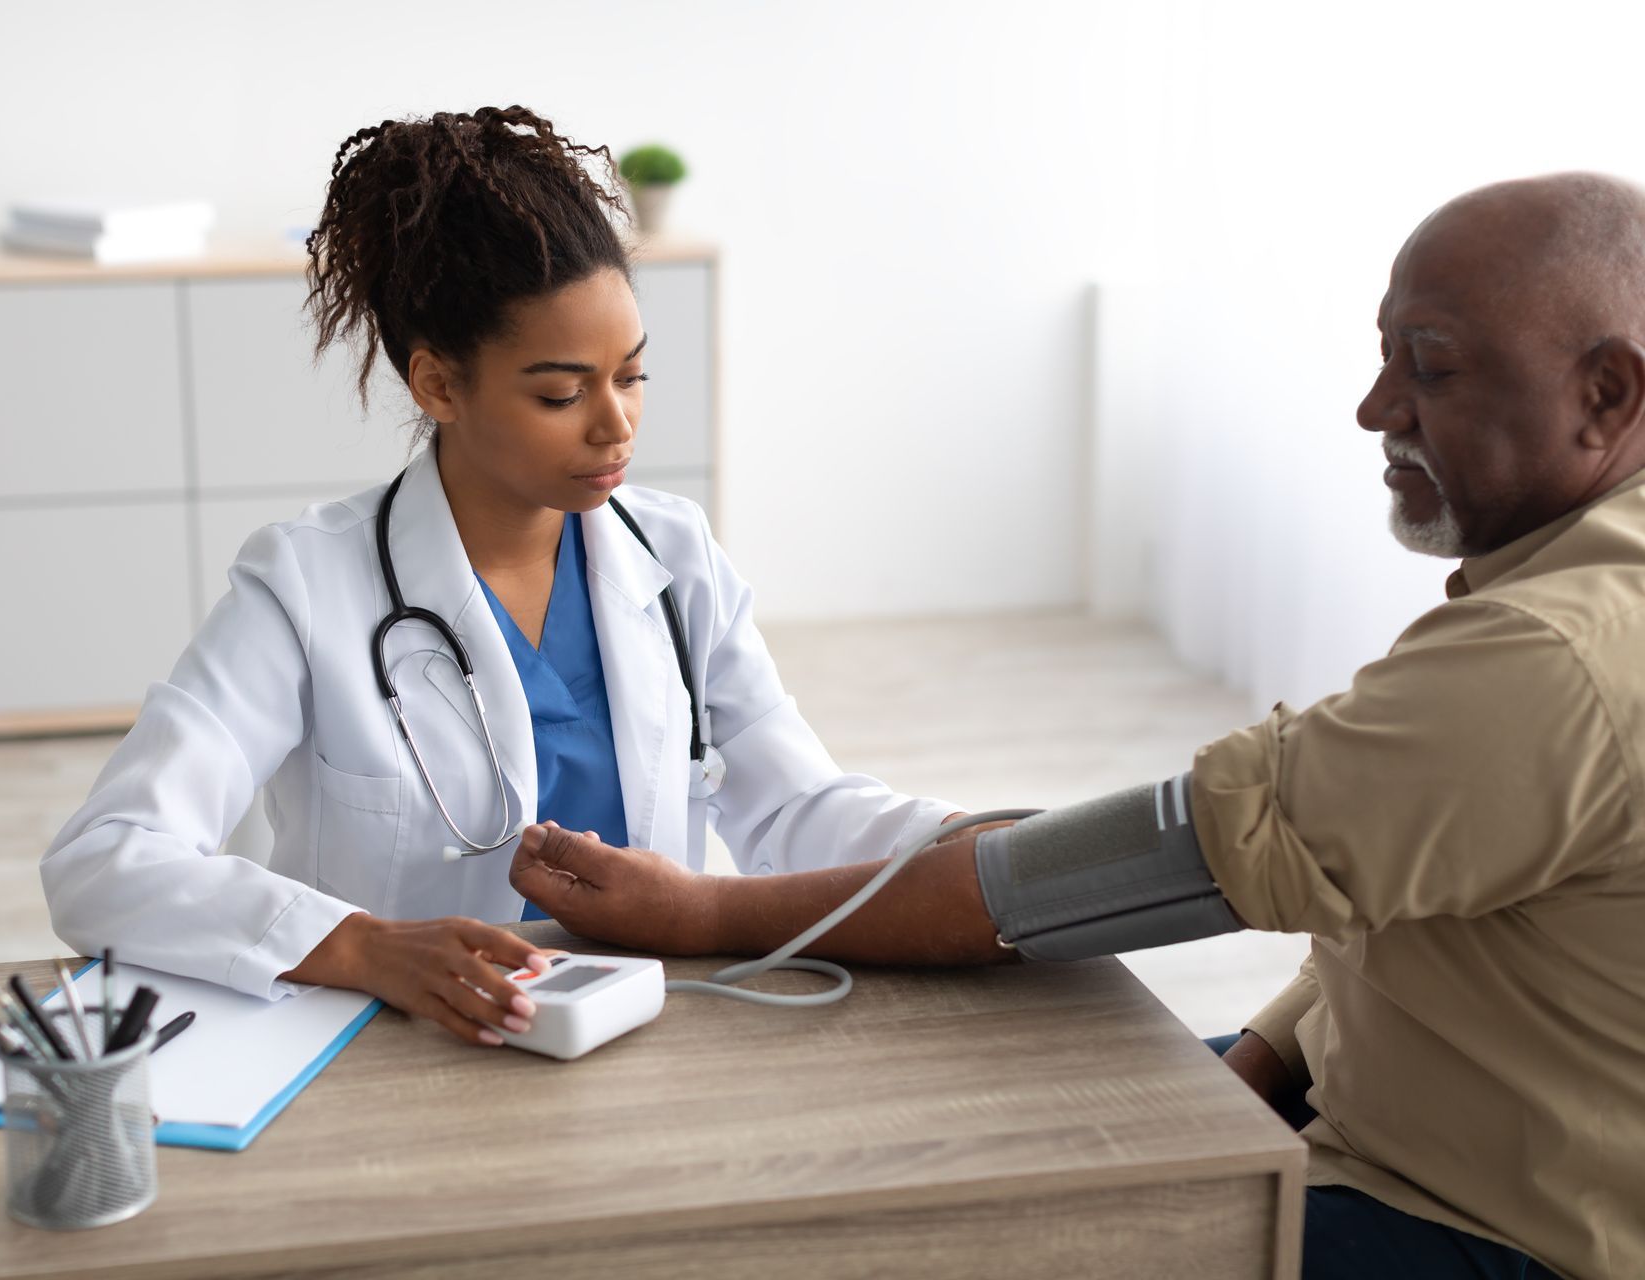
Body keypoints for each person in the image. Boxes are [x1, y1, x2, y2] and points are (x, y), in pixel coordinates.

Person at [508, 173, 1645, 1279]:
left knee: (940, 1210)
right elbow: (1397, 891)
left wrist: (705, 909)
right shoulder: (1582, 583)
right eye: (1384, 351)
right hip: (1396, 1109)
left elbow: (1147, 864)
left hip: (1486, 1222)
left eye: (1430, 366)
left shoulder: (1554, 654)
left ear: (1608, 393)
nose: (1375, 406)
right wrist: (1255, 1058)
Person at [39, 106, 958, 1049]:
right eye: (561, 393)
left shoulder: (675, 561)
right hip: (395, 1060)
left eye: (631, 377)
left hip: (641, 1041)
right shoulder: (306, 585)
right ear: (439, 386)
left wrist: (978, 844)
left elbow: (798, 806)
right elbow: (107, 861)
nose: (616, 426)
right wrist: (362, 947)